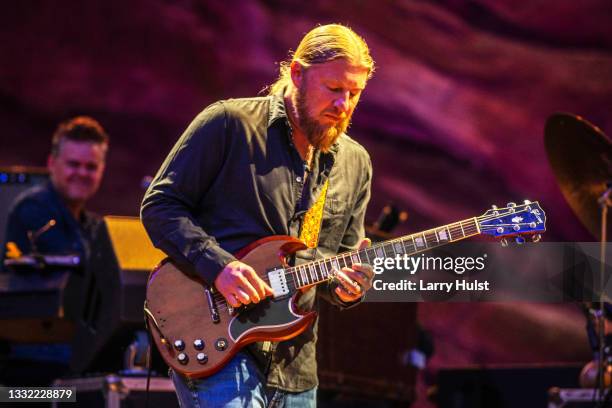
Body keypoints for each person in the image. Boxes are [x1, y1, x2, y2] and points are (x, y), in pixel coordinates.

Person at [141, 24, 375, 407]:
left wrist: (350, 287)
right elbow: (161, 206)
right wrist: (219, 266)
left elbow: (338, 264)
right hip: (219, 347)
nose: (344, 105)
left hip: (296, 365)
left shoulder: (355, 162)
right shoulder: (229, 124)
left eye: (355, 94)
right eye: (334, 90)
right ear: (297, 73)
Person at [3, 116, 108, 267]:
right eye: (73, 164)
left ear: (102, 170)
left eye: (91, 167)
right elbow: (77, 271)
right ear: (51, 163)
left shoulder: (93, 225)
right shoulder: (32, 208)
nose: (83, 173)